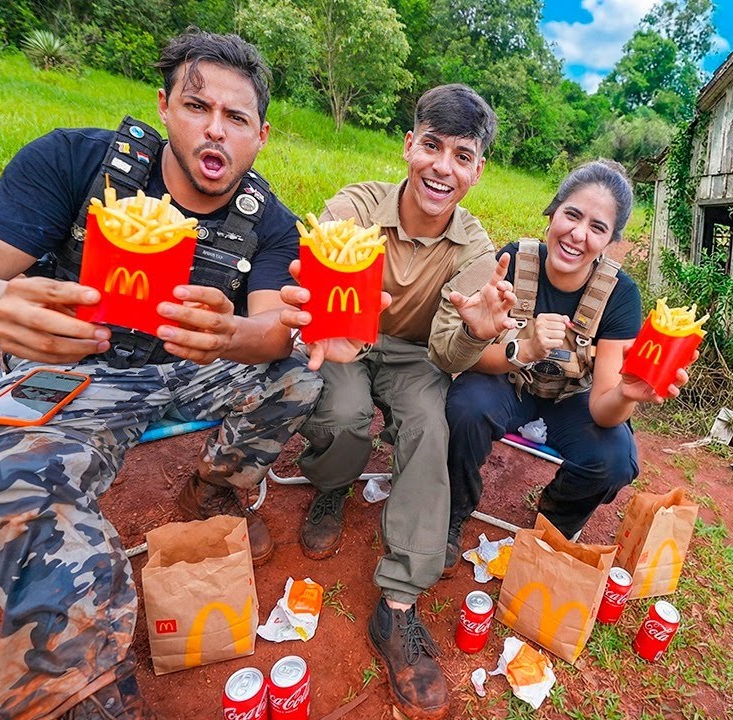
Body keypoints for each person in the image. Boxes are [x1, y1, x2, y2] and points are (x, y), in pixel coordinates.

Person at [0, 31, 343, 720]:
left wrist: (233, 333)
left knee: (300, 375)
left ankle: (217, 489)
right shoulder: (77, 162)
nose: (215, 129)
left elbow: (272, 331)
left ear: (261, 136)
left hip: (195, 370)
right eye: (198, 106)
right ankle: (83, 691)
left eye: (237, 118)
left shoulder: (264, 219)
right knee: (14, 477)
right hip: (78, 370)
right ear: (166, 106)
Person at [295, 84, 514, 720]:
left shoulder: (475, 249)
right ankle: (333, 487)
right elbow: (326, 269)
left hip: (416, 355)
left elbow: (447, 355)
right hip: (347, 340)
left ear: (478, 170)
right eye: (432, 146)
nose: (442, 167)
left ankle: (397, 604)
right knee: (342, 415)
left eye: (462, 155)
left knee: (429, 422)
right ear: (408, 145)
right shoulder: (357, 206)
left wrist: (475, 330)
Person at [444, 159, 690, 557]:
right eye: (572, 214)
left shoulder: (620, 296)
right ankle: (453, 512)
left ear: (610, 241)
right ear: (553, 211)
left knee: (614, 459)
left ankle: (552, 525)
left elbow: (603, 409)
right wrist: (524, 349)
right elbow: (469, 359)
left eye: (597, 228)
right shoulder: (513, 262)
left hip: (573, 398)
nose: (578, 234)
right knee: (465, 407)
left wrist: (627, 393)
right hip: (508, 383)